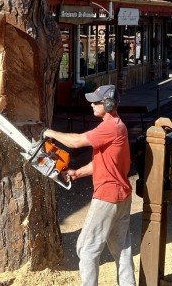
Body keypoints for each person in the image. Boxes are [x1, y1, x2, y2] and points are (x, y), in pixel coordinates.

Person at [44, 85, 134, 286]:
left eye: (97, 101)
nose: (92, 105)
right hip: (122, 194)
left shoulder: (109, 127)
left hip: (107, 195)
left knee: (86, 248)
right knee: (122, 248)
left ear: (109, 103)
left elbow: (76, 142)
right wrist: (78, 172)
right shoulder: (118, 126)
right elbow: (103, 162)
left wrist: (49, 132)